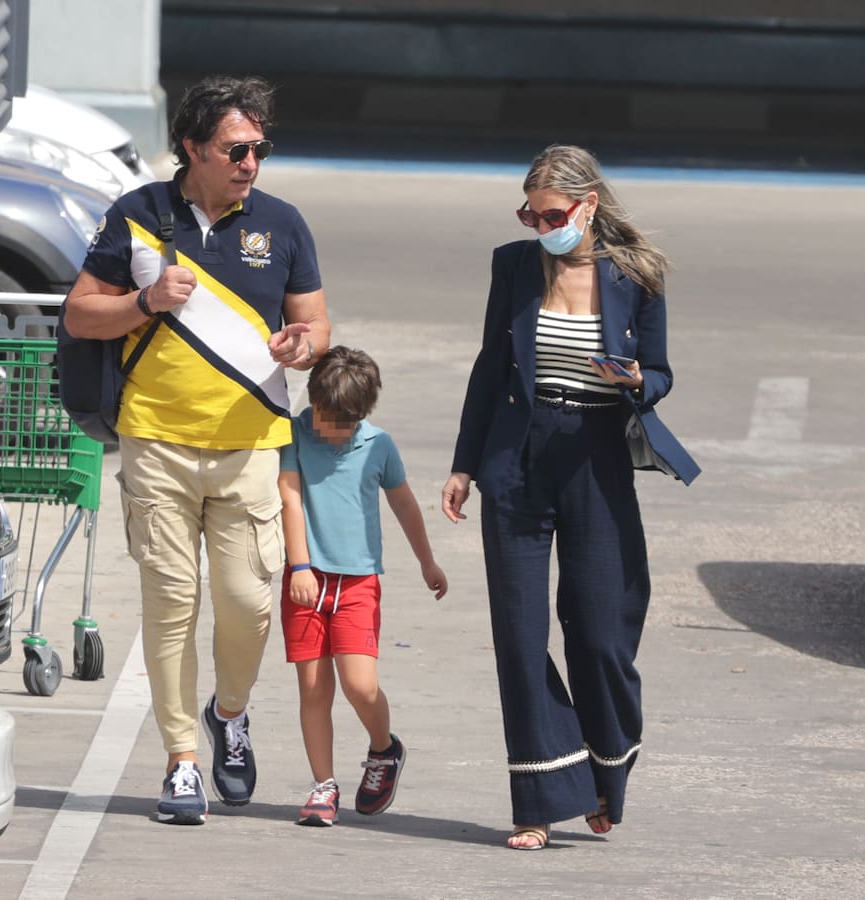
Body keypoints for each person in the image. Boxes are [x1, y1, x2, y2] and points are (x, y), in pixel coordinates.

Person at [63, 74, 331, 825]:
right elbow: (79, 315)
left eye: (260, 149)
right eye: (236, 149)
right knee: (171, 602)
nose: (251, 163)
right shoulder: (137, 215)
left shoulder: (281, 223)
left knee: (247, 605)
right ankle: (181, 759)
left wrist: (303, 346)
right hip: (155, 441)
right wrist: (144, 301)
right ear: (192, 147)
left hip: (251, 444)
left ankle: (229, 713)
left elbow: (317, 324)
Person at [440, 144, 697, 850]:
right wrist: (465, 464)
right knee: (520, 638)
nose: (540, 226)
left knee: (600, 633)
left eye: (551, 215)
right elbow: (491, 367)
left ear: (588, 206)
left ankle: (606, 770)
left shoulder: (635, 274)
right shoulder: (515, 266)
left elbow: (661, 373)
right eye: (530, 215)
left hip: (596, 458)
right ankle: (540, 799)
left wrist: (636, 379)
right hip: (517, 459)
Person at [278, 346, 447, 827]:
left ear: (362, 414)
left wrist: (427, 561)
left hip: (358, 584)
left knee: (359, 685)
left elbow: (404, 505)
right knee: (314, 689)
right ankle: (323, 785)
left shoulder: (378, 445)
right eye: (326, 418)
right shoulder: (293, 434)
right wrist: (300, 566)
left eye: (344, 423)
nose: (333, 430)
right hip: (306, 581)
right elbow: (290, 498)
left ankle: (383, 749)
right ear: (313, 401)